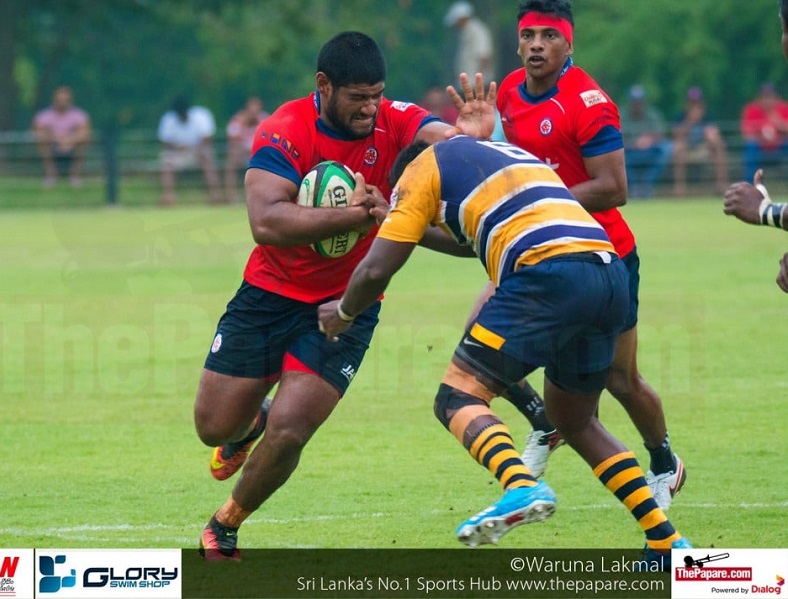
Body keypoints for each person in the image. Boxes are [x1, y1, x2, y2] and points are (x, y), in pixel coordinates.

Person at [318, 135, 691, 565]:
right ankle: (666, 543)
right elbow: (468, 239)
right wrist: (410, 225)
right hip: (608, 273)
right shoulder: (499, 155)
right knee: (576, 420)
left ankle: (521, 485)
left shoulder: (418, 172)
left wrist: (343, 312)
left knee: (457, 396)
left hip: (548, 273)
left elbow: (376, 268)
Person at [194, 31, 495, 561]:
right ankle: (250, 422)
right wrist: (358, 217)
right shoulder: (285, 129)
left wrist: (467, 141)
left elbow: (439, 136)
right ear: (324, 85)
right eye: (358, 97)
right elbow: (266, 221)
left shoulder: (393, 119)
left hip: (348, 303)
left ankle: (226, 524)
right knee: (213, 426)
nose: (370, 107)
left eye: (376, 94)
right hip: (268, 293)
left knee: (291, 429)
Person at [483, 0, 686, 512]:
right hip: (538, 251)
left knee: (620, 379)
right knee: (482, 344)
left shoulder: (589, 102)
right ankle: (543, 422)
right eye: (528, 35)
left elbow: (614, 187)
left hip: (604, 258)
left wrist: (539, 202)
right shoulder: (507, 93)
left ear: (568, 43)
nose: (536, 45)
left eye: (549, 35)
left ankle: (664, 463)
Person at [722, 0, 788, 294]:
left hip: (779, 147)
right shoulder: (753, 110)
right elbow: (749, 132)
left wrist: (764, 210)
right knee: (751, 148)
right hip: (762, 148)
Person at [157, 96, 224, 205]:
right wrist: (178, 147)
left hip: (198, 152)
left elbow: (207, 138)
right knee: (167, 160)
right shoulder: (168, 119)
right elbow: (165, 142)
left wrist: (193, 148)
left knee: (207, 157)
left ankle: (215, 194)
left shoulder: (201, 116)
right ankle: (168, 196)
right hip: (178, 154)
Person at [671, 86, 729, 196]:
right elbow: (676, 136)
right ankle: (679, 188)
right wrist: (690, 122)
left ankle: (720, 185)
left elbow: (715, 135)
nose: (695, 106)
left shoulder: (708, 117)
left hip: (704, 148)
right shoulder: (680, 117)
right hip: (687, 149)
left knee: (719, 145)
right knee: (678, 148)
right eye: (692, 103)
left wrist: (709, 136)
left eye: (697, 103)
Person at [32, 86, 91, 187]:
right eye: (59, 100)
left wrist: (70, 140)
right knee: (41, 140)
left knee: (84, 141)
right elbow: (38, 132)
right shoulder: (44, 116)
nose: (62, 103)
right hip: (52, 145)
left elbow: (85, 132)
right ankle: (51, 174)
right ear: (54, 100)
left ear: (70, 101)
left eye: (65, 100)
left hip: (72, 146)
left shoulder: (79, 115)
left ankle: (75, 176)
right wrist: (57, 140)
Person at [621, 85, 673, 199]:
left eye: (639, 102)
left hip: (650, 151)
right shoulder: (622, 115)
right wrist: (635, 142)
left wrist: (649, 140)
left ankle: (646, 185)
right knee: (617, 154)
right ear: (630, 102)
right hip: (630, 152)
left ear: (643, 102)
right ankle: (635, 186)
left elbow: (661, 134)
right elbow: (618, 136)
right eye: (634, 102)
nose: (637, 105)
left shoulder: (653, 114)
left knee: (666, 148)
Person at [740, 82, 788, 183]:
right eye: (764, 97)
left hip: (780, 148)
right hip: (760, 149)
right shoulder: (752, 109)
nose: (767, 101)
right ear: (759, 98)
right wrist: (759, 133)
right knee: (751, 145)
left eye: (770, 97)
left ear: (775, 97)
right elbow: (746, 134)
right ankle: (750, 184)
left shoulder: (784, 108)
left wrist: (779, 124)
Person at [224, 97, 269, 204]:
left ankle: (264, 195)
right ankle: (231, 196)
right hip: (241, 155)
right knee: (232, 159)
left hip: (258, 154)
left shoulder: (265, 120)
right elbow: (232, 140)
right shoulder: (238, 120)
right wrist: (243, 124)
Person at [444, 1, 495, 85]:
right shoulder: (466, 32)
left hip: (476, 84)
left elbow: (484, 56)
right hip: (469, 83)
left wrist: (478, 82)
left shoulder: (478, 30)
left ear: (462, 18)